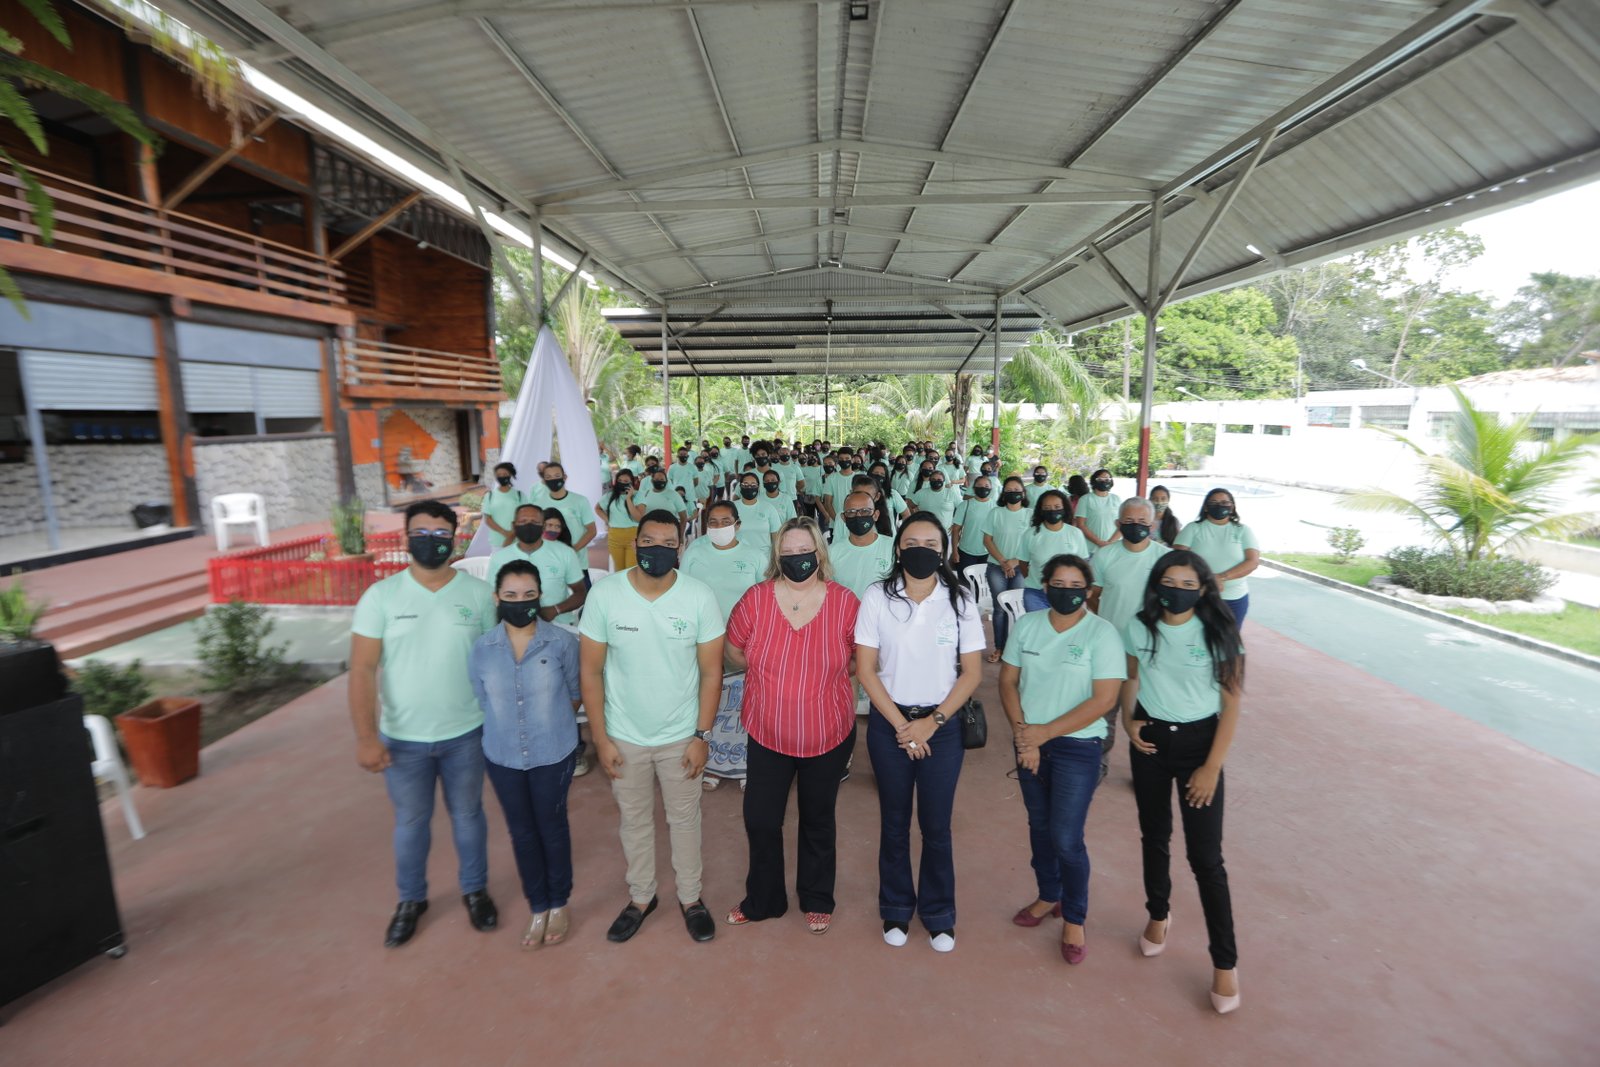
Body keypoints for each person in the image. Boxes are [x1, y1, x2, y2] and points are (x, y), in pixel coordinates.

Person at [349, 500, 498, 948]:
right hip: (403, 739)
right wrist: (365, 738)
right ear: (406, 538)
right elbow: (362, 670)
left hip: (467, 732)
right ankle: (410, 900)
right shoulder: (381, 597)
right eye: (421, 533)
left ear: (454, 539)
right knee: (411, 823)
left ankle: (475, 890)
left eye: (440, 534)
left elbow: (493, 662)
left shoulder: (478, 595)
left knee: (468, 816)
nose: (430, 541)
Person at [580, 511, 726, 944]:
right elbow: (590, 672)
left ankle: (691, 898)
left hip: (681, 736)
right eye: (647, 542)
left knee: (685, 821)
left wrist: (701, 736)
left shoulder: (698, 596)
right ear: (635, 543)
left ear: (680, 548)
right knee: (635, 821)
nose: (656, 550)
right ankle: (641, 897)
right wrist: (601, 738)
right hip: (624, 737)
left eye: (667, 543)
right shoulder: (606, 595)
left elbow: (712, 673)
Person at [1121, 550, 1245, 1014]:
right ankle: (1158, 913)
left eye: (1188, 584)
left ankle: (1225, 962)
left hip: (1200, 747)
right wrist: (1129, 722)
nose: (1178, 591)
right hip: (1151, 743)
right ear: (1157, 585)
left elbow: (1231, 705)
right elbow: (1131, 678)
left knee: (1205, 858)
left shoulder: (1219, 630)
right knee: (1154, 836)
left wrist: (1211, 767)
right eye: (1169, 583)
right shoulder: (1140, 626)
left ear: (1203, 588)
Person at [855, 514, 984, 953]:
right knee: (894, 823)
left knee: (936, 825)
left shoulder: (960, 598)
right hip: (890, 726)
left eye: (931, 543)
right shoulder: (878, 596)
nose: (921, 550)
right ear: (898, 548)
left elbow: (971, 673)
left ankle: (939, 913)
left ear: (944, 549)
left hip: (941, 729)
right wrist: (901, 726)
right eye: (912, 542)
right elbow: (865, 669)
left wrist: (933, 723)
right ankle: (895, 907)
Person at [723, 518, 859, 934]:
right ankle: (765, 899)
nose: (797, 558)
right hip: (768, 733)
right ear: (776, 556)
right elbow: (734, 651)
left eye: (805, 551)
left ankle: (817, 897)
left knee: (818, 818)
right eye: (788, 552)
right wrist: (771, 676)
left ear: (819, 553)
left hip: (828, 734)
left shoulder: (845, 603)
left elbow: (860, 660)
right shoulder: (756, 599)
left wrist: (819, 679)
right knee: (761, 819)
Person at [1000, 553, 1125, 965]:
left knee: (1067, 838)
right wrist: (1025, 736)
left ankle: (1074, 917)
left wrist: (1043, 734)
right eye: (1058, 584)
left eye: (1076, 587)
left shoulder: (1102, 634)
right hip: (1029, 742)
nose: (1067, 592)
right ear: (1045, 586)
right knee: (1039, 827)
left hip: (1077, 747)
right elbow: (1008, 681)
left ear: (1088, 591)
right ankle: (1048, 894)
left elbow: (1104, 700)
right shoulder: (1027, 625)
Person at [469, 561, 582, 950]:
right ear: (496, 598)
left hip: (553, 752)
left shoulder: (562, 642)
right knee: (521, 832)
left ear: (540, 597)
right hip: (503, 756)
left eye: (529, 595)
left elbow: (574, 693)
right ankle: (538, 905)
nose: (520, 602)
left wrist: (545, 721)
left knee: (552, 828)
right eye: (511, 595)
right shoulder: (482, 649)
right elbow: (483, 699)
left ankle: (559, 902)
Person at [680, 500, 769, 790]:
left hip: (743, 642)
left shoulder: (754, 556)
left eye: (725, 522)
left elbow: (764, 599)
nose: (719, 527)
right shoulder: (695, 552)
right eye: (713, 522)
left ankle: (744, 763)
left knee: (743, 701)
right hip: (704, 640)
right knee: (710, 701)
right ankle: (713, 763)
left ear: (737, 525)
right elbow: (683, 593)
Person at [1084, 497, 1170, 779]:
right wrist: (1109, 623)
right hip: (1113, 649)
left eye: (1142, 522)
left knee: (1148, 713)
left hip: (1151, 650)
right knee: (1104, 709)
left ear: (1153, 524)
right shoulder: (1105, 555)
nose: (1136, 526)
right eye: (1129, 521)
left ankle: (1146, 769)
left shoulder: (1164, 559)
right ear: (1118, 524)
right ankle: (1098, 763)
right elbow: (1094, 596)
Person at [487, 504, 587, 624]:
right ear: (514, 526)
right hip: (512, 627)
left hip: (558, 625)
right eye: (523, 521)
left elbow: (581, 593)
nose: (529, 526)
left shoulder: (565, 553)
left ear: (543, 526)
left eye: (535, 522)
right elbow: (491, 599)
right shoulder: (499, 558)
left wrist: (555, 610)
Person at [1174, 488, 1260, 627]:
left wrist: (1220, 577)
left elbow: (1253, 562)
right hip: (1199, 597)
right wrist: (1206, 579)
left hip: (1234, 599)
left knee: (1229, 638)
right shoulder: (1193, 528)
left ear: (1232, 507)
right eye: (1214, 502)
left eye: (1224, 502)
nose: (1219, 506)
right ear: (1206, 507)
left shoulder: (1243, 530)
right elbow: (1177, 560)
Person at [981, 475, 1032, 663]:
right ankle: (999, 648)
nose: (1013, 493)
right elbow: (987, 540)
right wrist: (1003, 562)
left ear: (1023, 493)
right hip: (996, 566)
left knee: (1016, 609)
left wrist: (1015, 562)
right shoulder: (996, 513)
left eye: (1017, 490)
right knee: (1000, 608)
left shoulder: (1030, 514)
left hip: (1021, 567)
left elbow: (1033, 542)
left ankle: (1013, 649)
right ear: (1003, 493)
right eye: (1009, 490)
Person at [1021, 490, 1089, 613]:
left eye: (1057, 507)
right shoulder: (1030, 534)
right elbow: (1023, 563)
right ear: (1041, 510)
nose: (1052, 511)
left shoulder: (1075, 533)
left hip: (1068, 593)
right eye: (1047, 508)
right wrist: (1037, 581)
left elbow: (1083, 566)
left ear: (1064, 508)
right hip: (1036, 592)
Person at [830, 489, 896, 598]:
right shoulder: (832, 552)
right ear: (843, 518)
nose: (858, 516)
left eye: (865, 511)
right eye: (851, 512)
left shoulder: (893, 547)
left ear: (875, 515)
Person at [532, 463, 596, 556]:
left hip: (577, 560)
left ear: (564, 477)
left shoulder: (580, 500)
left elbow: (592, 530)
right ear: (544, 481)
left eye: (557, 476)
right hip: (548, 558)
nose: (553, 479)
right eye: (548, 477)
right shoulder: (538, 504)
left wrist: (573, 550)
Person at [597, 471, 644, 571]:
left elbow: (639, 518)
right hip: (615, 536)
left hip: (633, 536)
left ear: (632, 482)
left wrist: (628, 499)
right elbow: (598, 508)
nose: (622, 483)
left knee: (631, 569)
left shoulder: (638, 495)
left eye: (626, 481)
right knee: (618, 569)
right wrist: (609, 520)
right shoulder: (609, 496)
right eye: (619, 480)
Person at [951, 474, 994, 572]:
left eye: (986, 486)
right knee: (964, 580)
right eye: (979, 485)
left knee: (983, 580)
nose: (983, 488)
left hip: (989, 553)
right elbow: (956, 530)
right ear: (974, 488)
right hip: (966, 552)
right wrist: (954, 551)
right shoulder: (965, 505)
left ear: (991, 488)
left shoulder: (996, 507)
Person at [733, 471, 782, 557]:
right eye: (745, 484)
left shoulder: (768, 508)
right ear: (740, 487)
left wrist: (776, 558)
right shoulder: (731, 508)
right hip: (738, 557)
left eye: (753, 485)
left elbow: (776, 537)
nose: (749, 487)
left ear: (758, 487)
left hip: (764, 558)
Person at [1075, 469, 1122, 550]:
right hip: (1091, 549)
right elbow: (1080, 525)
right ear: (1094, 481)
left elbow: (1123, 524)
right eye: (1100, 479)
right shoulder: (1085, 499)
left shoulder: (1116, 499)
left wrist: (1110, 542)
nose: (1104, 481)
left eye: (1107, 479)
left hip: (1113, 548)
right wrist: (1098, 542)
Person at [482, 462, 523, 547]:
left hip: (517, 540)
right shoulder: (489, 496)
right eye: (499, 475)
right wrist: (505, 533)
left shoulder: (520, 495)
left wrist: (512, 534)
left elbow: (524, 516)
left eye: (505, 474)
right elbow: (487, 519)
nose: (502, 476)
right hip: (497, 541)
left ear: (510, 474)